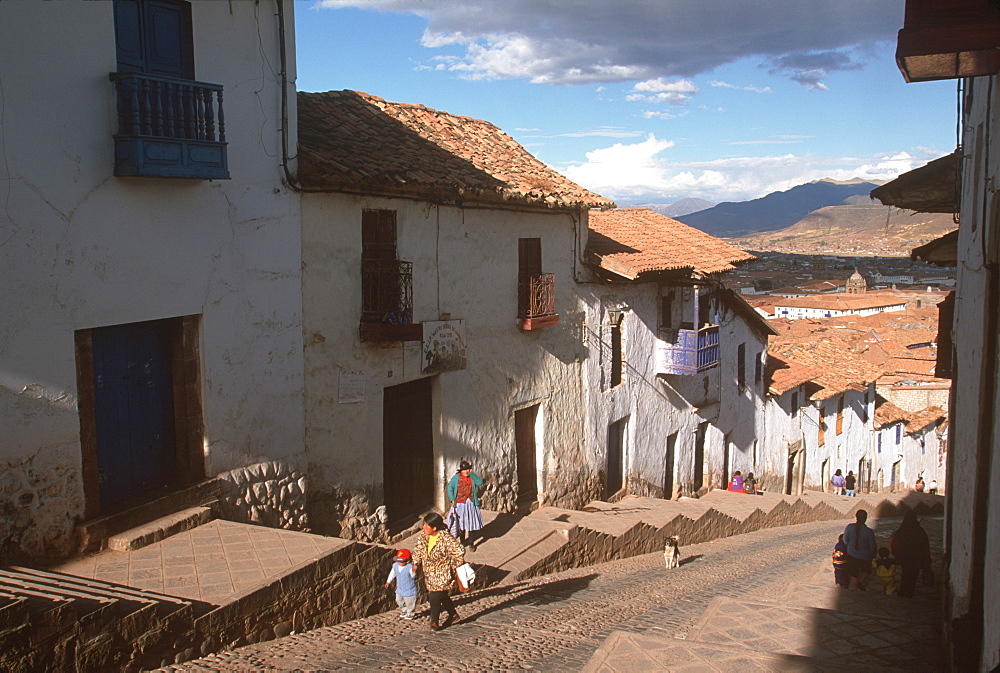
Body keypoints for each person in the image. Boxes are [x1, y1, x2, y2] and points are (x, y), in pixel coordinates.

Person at [412, 512, 464, 631]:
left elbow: (459, 551)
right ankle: (453, 615)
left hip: (443, 573)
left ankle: (434, 621)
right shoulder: (424, 536)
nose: (423, 527)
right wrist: (415, 563)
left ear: (434, 528)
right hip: (430, 574)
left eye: (426, 525)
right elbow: (418, 549)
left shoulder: (446, 538)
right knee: (442, 595)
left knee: (434, 596)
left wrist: (455, 565)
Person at [891, 510, 932, 598]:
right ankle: (910, 591)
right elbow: (925, 546)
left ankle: (903, 590)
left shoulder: (901, 531)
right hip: (917, 557)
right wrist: (927, 558)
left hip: (904, 557)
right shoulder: (921, 532)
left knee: (905, 573)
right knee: (913, 575)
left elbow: (895, 544)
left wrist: (895, 554)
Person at [447, 460, 485, 551]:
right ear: (460, 471)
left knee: (471, 523)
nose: (466, 471)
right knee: (461, 523)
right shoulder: (456, 478)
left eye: (467, 469)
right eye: (464, 470)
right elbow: (450, 488)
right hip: (460, 503)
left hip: (471, 503)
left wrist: (473, 474)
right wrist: (452, 499)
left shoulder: (472, 477)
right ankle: (462, 540)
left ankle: (471, 543)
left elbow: (480, 482)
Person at [843, 509, 877, 590]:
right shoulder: (869, 532)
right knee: (867, 570)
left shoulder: (850, 527)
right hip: (865, 556)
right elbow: (872, 546)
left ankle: (854, 588)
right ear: (865, 518)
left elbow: (845, 540)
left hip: (851, 554)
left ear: (856, 517)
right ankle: (860, 582)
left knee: (853, 573)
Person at [384, 548, 418, 620]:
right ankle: (404, 610)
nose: (399, 563)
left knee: (410, 602)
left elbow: (413, 576)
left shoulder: (409, 567)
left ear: (408, 561)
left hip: (409, 589)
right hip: (400, 588)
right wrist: (388, 581)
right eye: (397, 561)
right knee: (399, 600)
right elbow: (392, 573)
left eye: (401, 561)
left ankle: (410, 613)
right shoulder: (395, 566)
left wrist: (413, 572)